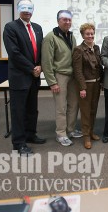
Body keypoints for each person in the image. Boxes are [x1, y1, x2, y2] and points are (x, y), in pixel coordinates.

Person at [3, 0, 45, 155]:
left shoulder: (38, 28)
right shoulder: (11, 27)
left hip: (34, 77)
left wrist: (40, 65)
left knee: (32, 109)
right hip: (20, 76)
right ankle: (19, 144)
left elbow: (41, 50)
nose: (27, 10)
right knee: (18, 111)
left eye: (30, 8)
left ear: (33, 10)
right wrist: (32, 68)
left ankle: (30, 134)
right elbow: (14, 53)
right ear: (18, 9)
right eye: (23, 7)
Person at [41, 10, 82, 147]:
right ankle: (61, 134)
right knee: (61, 106)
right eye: (64, 20)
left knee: (74, 104)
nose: (67, 22)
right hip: (59, 76)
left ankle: (70, 130)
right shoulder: (50, 37)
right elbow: (46, 62)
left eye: (69, 20)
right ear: (58, 21)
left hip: (72, 76)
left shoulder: (71, 36)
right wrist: (52, 82)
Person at [72, 23, 104, 149]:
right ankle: (86, 136)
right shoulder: (78, 50)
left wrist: (102, 81)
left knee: (93, 110)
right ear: (82, 35)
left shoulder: (96, 47)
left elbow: (99, 66)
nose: (90, 36)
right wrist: (82, 88)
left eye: (92, 33)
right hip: (86, 86)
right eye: (87, 34)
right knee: (85, 111)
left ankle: (91, 132)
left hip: (96, 84)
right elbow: (78, 71)